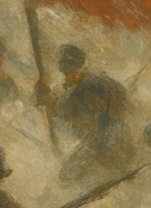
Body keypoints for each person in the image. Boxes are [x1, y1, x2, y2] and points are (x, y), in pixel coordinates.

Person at [49, 42, 136, 182]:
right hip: (105, 135)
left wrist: (54, 107)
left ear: (77, 69)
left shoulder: (92, 86)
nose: (66, 77)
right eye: (65, 74)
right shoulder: (90, 81)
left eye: (68, 73)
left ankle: (116, 170)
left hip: (107, 137)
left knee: (66, 176)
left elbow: (93, 122)